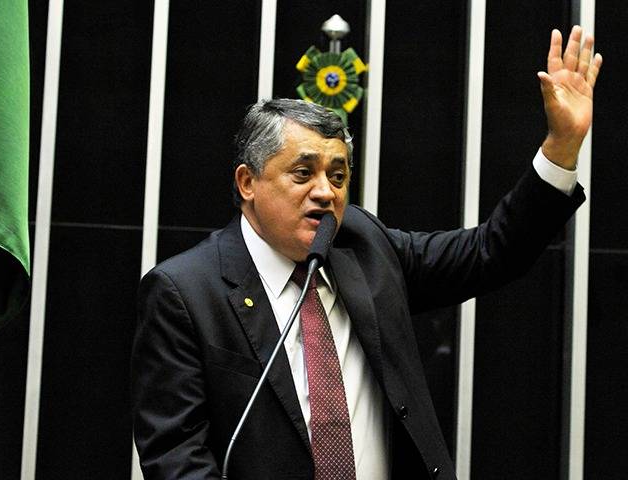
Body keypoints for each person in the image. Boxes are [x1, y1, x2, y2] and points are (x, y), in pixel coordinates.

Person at [132, 26, 602, 479]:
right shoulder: (185, 292)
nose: (325, 192)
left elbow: (490, 252)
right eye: (303, 174)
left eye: (337, 176)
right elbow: (177, 457)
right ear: (247, 182)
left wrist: (561, 145)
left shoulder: (363, 245)